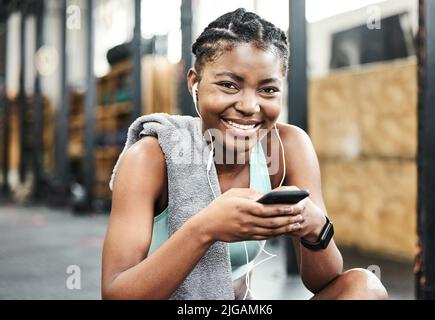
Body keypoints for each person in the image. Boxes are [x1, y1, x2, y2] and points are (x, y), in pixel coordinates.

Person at [101, 8, 388, 300]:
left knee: (364, 288)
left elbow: (322, 281)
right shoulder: (150, 157)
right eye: (229, 85)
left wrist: (316, 229)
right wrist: (205, 228)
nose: (250, 106)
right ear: (194, 83)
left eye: (267, 90)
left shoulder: (288, 147)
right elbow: (115, 293)